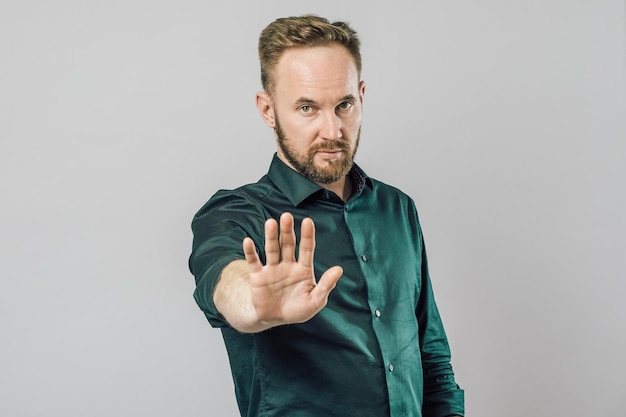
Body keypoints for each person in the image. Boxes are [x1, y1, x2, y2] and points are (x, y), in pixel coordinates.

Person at [189, 15, 464, 417]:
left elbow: (430, 354)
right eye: (307, 108)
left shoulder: (397, 208)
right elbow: (226, 280)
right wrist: (254, 305)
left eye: (344, 105)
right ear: (268, 110)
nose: (332, 129)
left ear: (362, 95)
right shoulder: (236, 213)